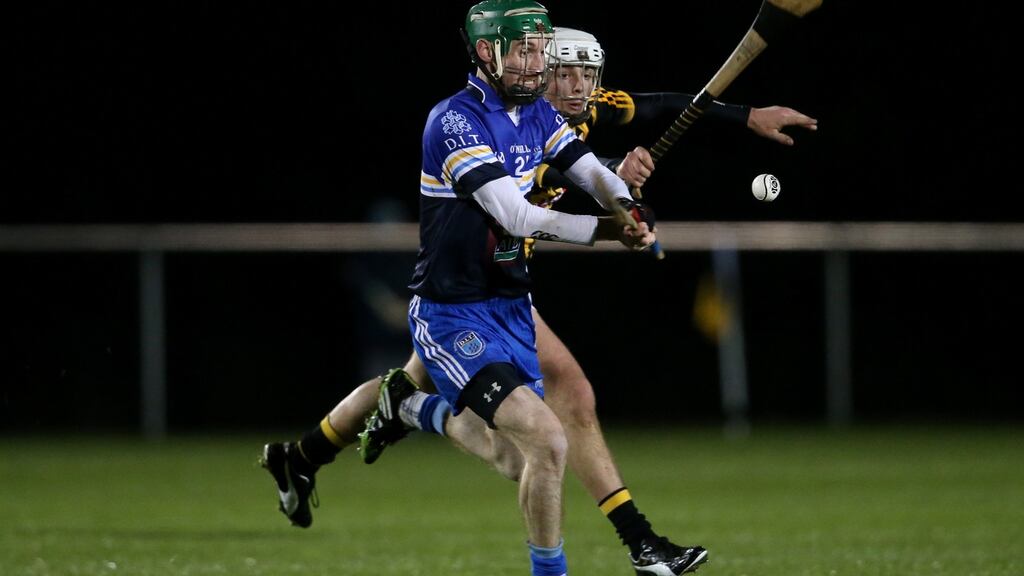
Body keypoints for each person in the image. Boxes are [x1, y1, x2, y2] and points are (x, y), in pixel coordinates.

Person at [261, 23, 815, 576]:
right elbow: (522, 204)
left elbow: (662, 106)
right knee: (537, 419)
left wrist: (743, 119)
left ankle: (300, 457)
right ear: (529, 70)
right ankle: (639, 542)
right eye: (561, 73)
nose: (577, 88)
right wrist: (612, 205)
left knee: (494, 427)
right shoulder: (496, 124)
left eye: (585, 76)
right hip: (459, 292)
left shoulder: (572, 112)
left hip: (504, 289)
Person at [264, 3, 659, 575]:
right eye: (524, 51)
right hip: (453, 312)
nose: (538, 63)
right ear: (486, 52)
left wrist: (622, 199)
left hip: (509, 304)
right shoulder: (454, 121)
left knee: (514, 457)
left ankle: (397, 415)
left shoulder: (535, 115)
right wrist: (605, 230)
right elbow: (517, 216)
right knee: (548, 441)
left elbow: (585, 167)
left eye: (540, 49)